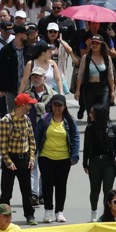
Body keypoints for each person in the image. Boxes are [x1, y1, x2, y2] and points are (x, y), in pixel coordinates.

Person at [36, 93, 79, 224]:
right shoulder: (44, 119)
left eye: (60, 105)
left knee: (61, 185)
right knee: (47, 185)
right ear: (51, 106)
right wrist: (32, 154)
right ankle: (48, 210)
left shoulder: (69, 121)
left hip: (63, 158)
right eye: (55, 105)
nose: (57, 108)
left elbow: (76, 137)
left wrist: (74, 156)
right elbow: (36, 137)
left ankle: (59, 212)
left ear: (65, 107)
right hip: (46, 157)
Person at [0, 94, 38, 226]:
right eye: (29, 104)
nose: (31, 106)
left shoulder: (26, 119)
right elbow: (2, 146)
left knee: (27, 191)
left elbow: (32, 141)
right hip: (10, 160)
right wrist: (9, 162)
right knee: (6, 192)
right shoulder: (6, 121)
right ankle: (2, 217)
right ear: (22, 105)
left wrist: (31, 159)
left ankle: (29, 215)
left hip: (24, 159)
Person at [82, 104, 116, 222]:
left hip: (109, 163)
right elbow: (86, 147)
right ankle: (93, 213)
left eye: (92, 113)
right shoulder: (90, 128)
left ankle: (106, 214)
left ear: (99, 114)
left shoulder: (113, 127)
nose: (90, 115)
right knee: (94, 189)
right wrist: (85, 163)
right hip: (94, 162)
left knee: (108, 190)